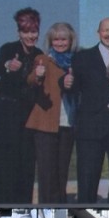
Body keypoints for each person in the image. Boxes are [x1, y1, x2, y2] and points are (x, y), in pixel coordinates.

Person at [68, 17, 109, 204]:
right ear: (98, 33)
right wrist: (66, 83)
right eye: (106, 30)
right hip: (90, 126)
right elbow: (73, 86)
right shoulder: (83, 57)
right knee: (87, 180)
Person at [0, 7, 44, 204]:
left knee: (27, 163)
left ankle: (24, 206)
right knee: (6, 164)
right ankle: (3, 206)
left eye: (34, 31)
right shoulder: (9, 49)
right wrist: (7, 66)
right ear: (19, 33)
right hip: (6, 113)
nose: (31, 36)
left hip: (29, 115)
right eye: (26, 31)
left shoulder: (40, 55)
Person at [26, 21, 79, 204]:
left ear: (71, 40)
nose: (60, 43)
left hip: (68, 123)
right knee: (47, 174)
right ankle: (46, 214)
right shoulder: (44, 59)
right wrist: (38, 75)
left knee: (61, 172)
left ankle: (60, 212)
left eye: (63, 39)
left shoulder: (76, 61)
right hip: (46, 124)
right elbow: (32, 80)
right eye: (56, 39)